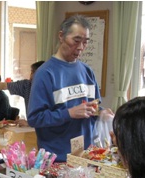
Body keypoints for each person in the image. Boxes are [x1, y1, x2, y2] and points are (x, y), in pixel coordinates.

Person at [27, 15, 113, 163]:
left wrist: (101, 112)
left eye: (85, 42)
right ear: (61, 36)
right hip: (58, 158)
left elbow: (94, 106)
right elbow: (35, 118)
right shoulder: (45, 73)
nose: (80, 47)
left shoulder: (87, 71)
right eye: (76, 41)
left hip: (86, 155)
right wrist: (69, 113)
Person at [0, 61, 45, 127]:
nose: (31, 76)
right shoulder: (26, 86)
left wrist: (30, 123)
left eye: (34, 73)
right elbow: (3, 85)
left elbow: (52, 119)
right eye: (31, 72)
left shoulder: (52, 91)